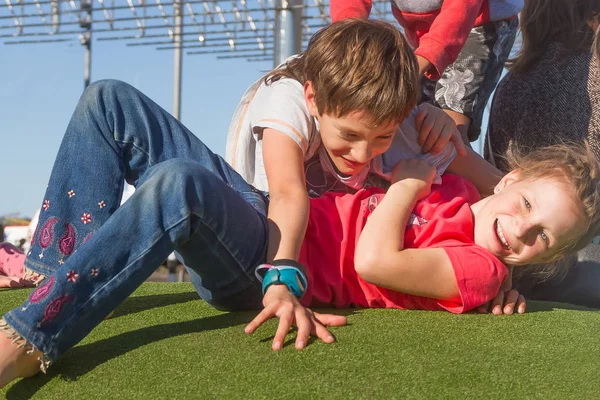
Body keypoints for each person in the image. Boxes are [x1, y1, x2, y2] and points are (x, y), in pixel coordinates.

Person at [0, 128, 597, 386]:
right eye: (524, 204)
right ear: (510, 176)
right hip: (272, 216)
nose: (520, 230)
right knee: (111, 104)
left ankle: (32, 337)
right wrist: (441, 130)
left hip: (268, 267)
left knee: (178, 183)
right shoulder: (475, 194)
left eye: (542, 238)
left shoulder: (483, 268)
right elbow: (466, 157)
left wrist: (411, 187)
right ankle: (52, 273)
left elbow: (374, 262)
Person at [485, 0, 600, 307]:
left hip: (513, 272)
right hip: (582, 269)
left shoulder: (512, 83)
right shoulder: (593, 73)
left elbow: (493, 176)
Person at [330, 0, 522, 143]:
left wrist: (414, 67)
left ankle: (477, 190)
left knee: (448, 127)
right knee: (419, 122)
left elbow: (460, 11)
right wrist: (349, 42)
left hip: (479, 22)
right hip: (425, 31)